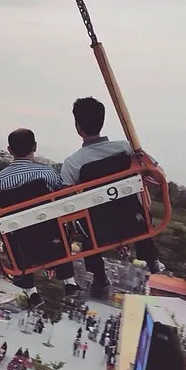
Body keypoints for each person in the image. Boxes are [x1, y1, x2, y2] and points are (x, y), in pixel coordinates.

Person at [61, 97, 165, 294]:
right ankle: (152, 259)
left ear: (78, 126)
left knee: (85, 225)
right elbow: (157, 172)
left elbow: (65, 202)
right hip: (134, 221)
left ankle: (99, 276)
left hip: (97, 230)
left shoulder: (73, 164)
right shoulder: (126, 148)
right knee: (135, 205)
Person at [0, 128, 82, 306]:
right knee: (59, 229)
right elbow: (63, 194)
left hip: (19, 241)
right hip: (49, 234)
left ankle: (31, 292)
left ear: (9, 150)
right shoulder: (46, 174)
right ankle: (69, 282)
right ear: (35, 146)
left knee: (12, 242)